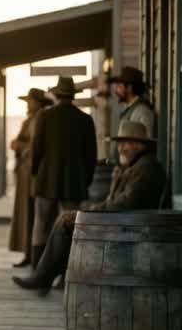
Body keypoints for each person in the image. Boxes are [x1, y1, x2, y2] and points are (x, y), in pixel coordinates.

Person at [13, 120, 166, 295]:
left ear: (140, 145)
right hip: (124, 222)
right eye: (120, 144)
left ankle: (44, 277)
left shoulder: (146, 168)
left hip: (130, 227)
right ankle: (46, 277)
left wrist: (91, 210)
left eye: (127, 143)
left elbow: (125, 204)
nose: (121, 148)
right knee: (66, 219)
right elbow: (120, 201)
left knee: (66, 221)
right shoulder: (136, 166)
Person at [29, 76, 97, 269]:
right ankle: (64, 273)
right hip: (73, 181)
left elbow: (36, 149)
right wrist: (86, 180)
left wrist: (35, 173)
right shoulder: (85, 119)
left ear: (57, 95)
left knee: (40, 223)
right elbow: (90, 156)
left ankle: (37, 270)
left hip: (46, 178)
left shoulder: (44, 116)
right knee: (69, 228)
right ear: (73, 96)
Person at [7, 88, 53, 266]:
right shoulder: (33, 119)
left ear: (38, 102)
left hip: (30, 174)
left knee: (31, 213)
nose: (28, 104)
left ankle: (32, 255)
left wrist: (18, 145)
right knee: (28, 213)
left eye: (30, 101)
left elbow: (33, 146)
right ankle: (29, 253)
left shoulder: (39, 119)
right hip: (26, 172)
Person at [109, 66, 155, 137]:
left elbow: (147, 140)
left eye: (120, 86)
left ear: (129, 88)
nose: (116, 90)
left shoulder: (142, 111)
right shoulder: (131, 109)